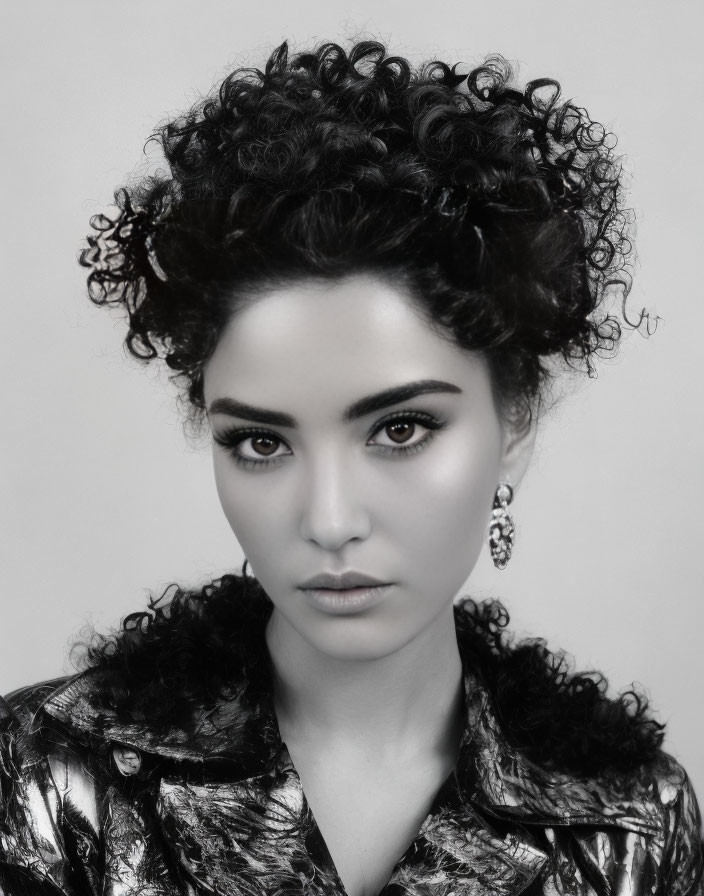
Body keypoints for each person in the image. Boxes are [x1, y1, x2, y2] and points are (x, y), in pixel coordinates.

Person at [0, 37, 701, 896]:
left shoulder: (630, 824)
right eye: (262, 443)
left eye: (400, 429)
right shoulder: (50, 777)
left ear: (513, 416)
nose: (329, 519)